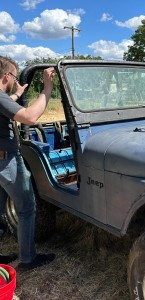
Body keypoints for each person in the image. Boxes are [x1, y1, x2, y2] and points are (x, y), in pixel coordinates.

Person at [0, 56, 55, 271]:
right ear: (7, 75)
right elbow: (30, 117)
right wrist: (47, 89)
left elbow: (6, 104)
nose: (15, 79)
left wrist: (17, 94)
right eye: (14, 75)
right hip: (6, 160)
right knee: (26, 209)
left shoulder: (3, 97)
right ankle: (28, 259)